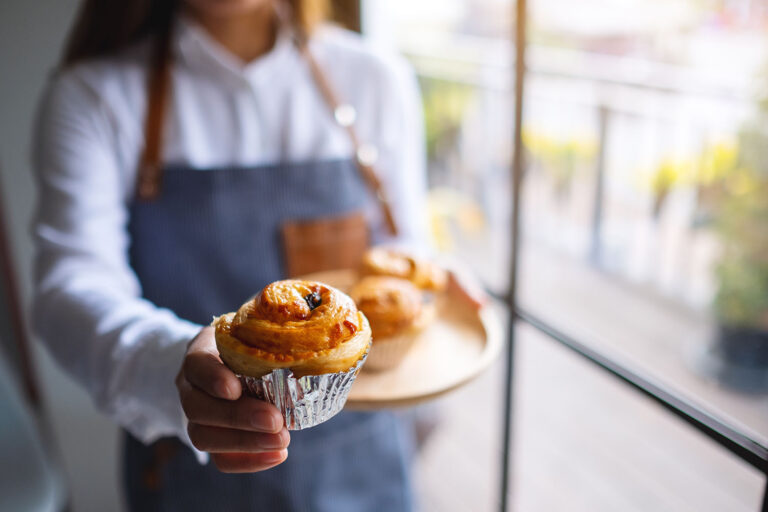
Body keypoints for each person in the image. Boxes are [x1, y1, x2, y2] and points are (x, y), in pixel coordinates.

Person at [31, 0, 428, 509]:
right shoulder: (94, 96)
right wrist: (171, 361)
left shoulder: (374, 78)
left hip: (361, 467)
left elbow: (401, 248)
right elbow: (70, 286)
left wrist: (432, 281)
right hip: (187, 474)